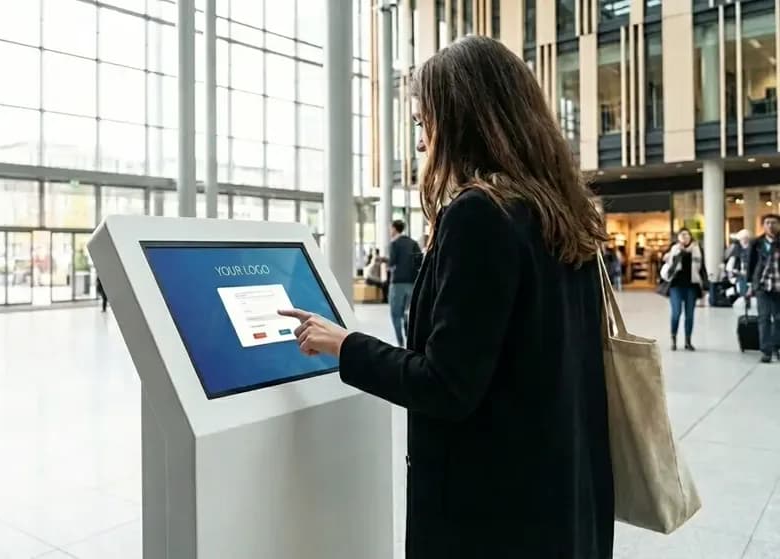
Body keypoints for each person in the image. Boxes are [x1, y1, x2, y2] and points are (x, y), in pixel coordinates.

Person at [280, 36, 613, 558]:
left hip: (490, 514)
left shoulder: (480, 215)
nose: (420, 142)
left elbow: (447, 385)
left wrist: (344, 345)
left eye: (422, 122)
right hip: (558, 497)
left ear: (463, 119)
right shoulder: (562, 213)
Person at [660, 228, 708, 351]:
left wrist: (705, 286)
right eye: (682, 235)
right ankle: (674, 339)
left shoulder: (697, 249)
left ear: (690, 237)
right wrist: (678, 253)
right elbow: (669, 267)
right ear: (678, 237)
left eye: (687, 235)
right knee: (676, 313)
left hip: (691, 286)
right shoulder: (674, 249)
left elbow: (702, 268)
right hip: (675, 286)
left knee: (690, 315)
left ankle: (688, 341)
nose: (685, 237)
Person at [382, 220, 421, 346]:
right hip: (411, 283)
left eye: (390, 228)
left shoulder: (394, 244)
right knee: (408, 313)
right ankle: (409, 339)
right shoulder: (413, 243)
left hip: (397, 283)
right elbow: (419, 261)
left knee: (396, 314)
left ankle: (400, 343)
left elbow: (392, 263)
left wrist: (387, 265)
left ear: (394, 229)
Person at [748, 214, 780, 363]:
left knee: (778, 318)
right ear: (763, 225)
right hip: (762, 285)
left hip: (778, 286)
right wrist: (749, 285)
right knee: (764, 318)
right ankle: (766, 351)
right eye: (767, 223)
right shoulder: (756, 243)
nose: (770, 225)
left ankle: (776, 347)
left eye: (774, 223)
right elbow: (751, 265)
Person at [727, 229, 752, 297]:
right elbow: (731, 262)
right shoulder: (737, 248)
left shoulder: (752, 248)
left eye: (743, 239)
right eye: (741, 239)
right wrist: (732, 272)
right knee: (742, 289)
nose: (742, 241)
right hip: (741, 273)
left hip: (749, 273)